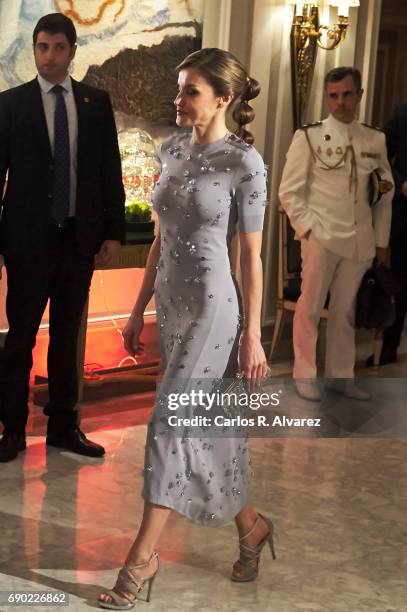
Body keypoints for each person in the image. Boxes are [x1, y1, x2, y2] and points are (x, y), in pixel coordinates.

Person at [98, 48, 274, 609]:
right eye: (179, 89)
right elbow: (159, 238)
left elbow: (251, 257)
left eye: (190, 91)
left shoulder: (245, 163)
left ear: (224, 98)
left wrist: (252, 334)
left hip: (214, 312)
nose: (178, 100)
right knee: (209, 428)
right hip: (173, 308)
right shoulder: (171, 149)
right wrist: (136, 310)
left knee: (169, 426)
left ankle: (141, 561)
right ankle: (252, 529)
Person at [0, 13, 125, 462]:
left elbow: (110, 170)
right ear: (34, 51)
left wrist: (113, 232)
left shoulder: (95, 103)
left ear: (73, 51)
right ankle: (12, 430)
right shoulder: (10, 105)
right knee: (21, 338)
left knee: (69, 337)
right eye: (41, 47)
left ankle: (63, 428)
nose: (49, 56)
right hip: (27, 242)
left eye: (57, 48)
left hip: (77, 239)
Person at [279, 67, 393, 402]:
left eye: (346, 94)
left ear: (360, 94)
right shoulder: (309, 136)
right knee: (310, 306)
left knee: (345, 311)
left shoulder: (375, 139)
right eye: (333, 96)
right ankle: (305, 375)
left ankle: (343, 378)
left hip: (359, 240)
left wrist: (381, 241)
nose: (340, 102)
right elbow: (289, 192)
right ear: (327, 97)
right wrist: (309, 230)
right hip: (322, 237)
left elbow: (384, 196)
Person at [367, 103, 407, 366]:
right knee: (402, 281)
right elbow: (381, 160)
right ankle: (390, 346)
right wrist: (402, 182)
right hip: (405, 213)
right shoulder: (402, 113)